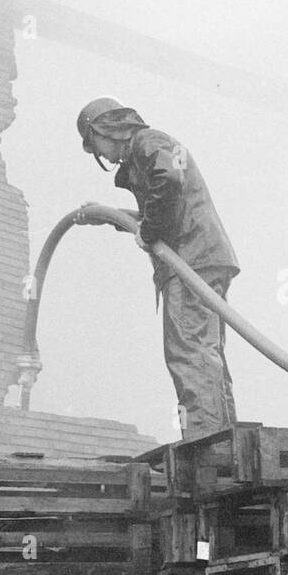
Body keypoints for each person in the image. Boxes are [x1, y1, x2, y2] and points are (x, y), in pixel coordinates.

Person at [76, 97, 240, 440]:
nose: (102, 156)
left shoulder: (149, 143)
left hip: (190, 261)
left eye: (97, 146)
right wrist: (107, 215)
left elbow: (168, 187)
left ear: (106, 130)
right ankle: (221, 437)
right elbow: (161, 211)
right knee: (204, 352)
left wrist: (148, 232)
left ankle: (205, 440)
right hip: (202, 256)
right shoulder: (149, 149)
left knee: (187, 352)